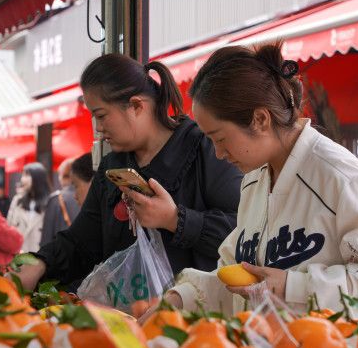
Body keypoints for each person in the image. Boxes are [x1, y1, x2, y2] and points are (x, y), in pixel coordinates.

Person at [156, 43, 358, 315]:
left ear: (260, 119)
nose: (219, 154)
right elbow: (237, 277)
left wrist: (293, 286)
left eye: (220, 139)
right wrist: (181, 298)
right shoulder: (254, 181)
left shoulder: (342, 179)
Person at [17, 53, 242, 291]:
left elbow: (241, 231)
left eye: (102, 116)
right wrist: (40, 262)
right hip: (125, 320)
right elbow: (82, 242)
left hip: (194, 317)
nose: (99, 129)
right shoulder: (112, 166)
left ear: (136, 106)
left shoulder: (204, 147)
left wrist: (175, 220)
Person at [39, 154, 90, 248]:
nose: (75, 196)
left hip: (61, 255)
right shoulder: (90, 196)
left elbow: (46, 240)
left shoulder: (56, 199)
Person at [7, 163, 52, 253]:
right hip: (19, 256)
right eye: (23, 175)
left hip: (41, 258)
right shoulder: (17, 200)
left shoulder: (50, 202)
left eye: (27, 175)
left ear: (38, 178)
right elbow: (9, 227)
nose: (22, 179)